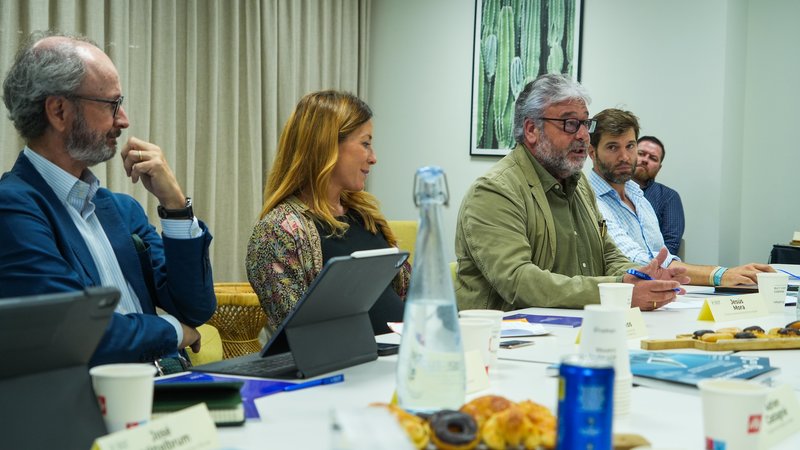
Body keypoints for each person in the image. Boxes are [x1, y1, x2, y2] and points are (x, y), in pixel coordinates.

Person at [0, 32, 216, 367]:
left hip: (172, 385)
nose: (124, 120)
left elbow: (195, 308)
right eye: (112, 105)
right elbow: (79, 334)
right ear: (58, 111)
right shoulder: (13, 209)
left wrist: (175, 205)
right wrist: (174, 331)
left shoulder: (121, 210)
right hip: (96, 397)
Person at [455, 74, 689, 312]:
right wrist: (620, 290)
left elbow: (607, 254)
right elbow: (519, 281)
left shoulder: (578, 184)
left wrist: (642, 276)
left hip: (574, 327)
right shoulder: (495, 191)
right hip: (508, 331)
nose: (583, 136)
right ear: (531, 130)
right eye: (570, 124)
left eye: (585, 123)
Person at [246, 90, 410, 334]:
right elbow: (300, 333)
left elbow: (410, 293)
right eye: (365, 144)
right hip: (354, 359)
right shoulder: (276, 233)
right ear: (327, 146)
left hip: (403, 351)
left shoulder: (366, 217)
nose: (373, 158)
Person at [587, 108, 772, 286]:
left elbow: (662, 255)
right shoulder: (590, 200)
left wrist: (725, 274)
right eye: (612, 147)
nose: (625, 157)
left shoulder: (637, 196)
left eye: (630, 146)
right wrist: (719, 274)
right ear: (592, 153)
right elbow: (638, 262)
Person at [633, 135, 685, 255]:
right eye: (640, 153)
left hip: (652, 263)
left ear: (659, 168)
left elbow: (671, 244)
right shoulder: (611, 190)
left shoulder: (669, 197)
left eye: (653, 158)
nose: (645, 160)